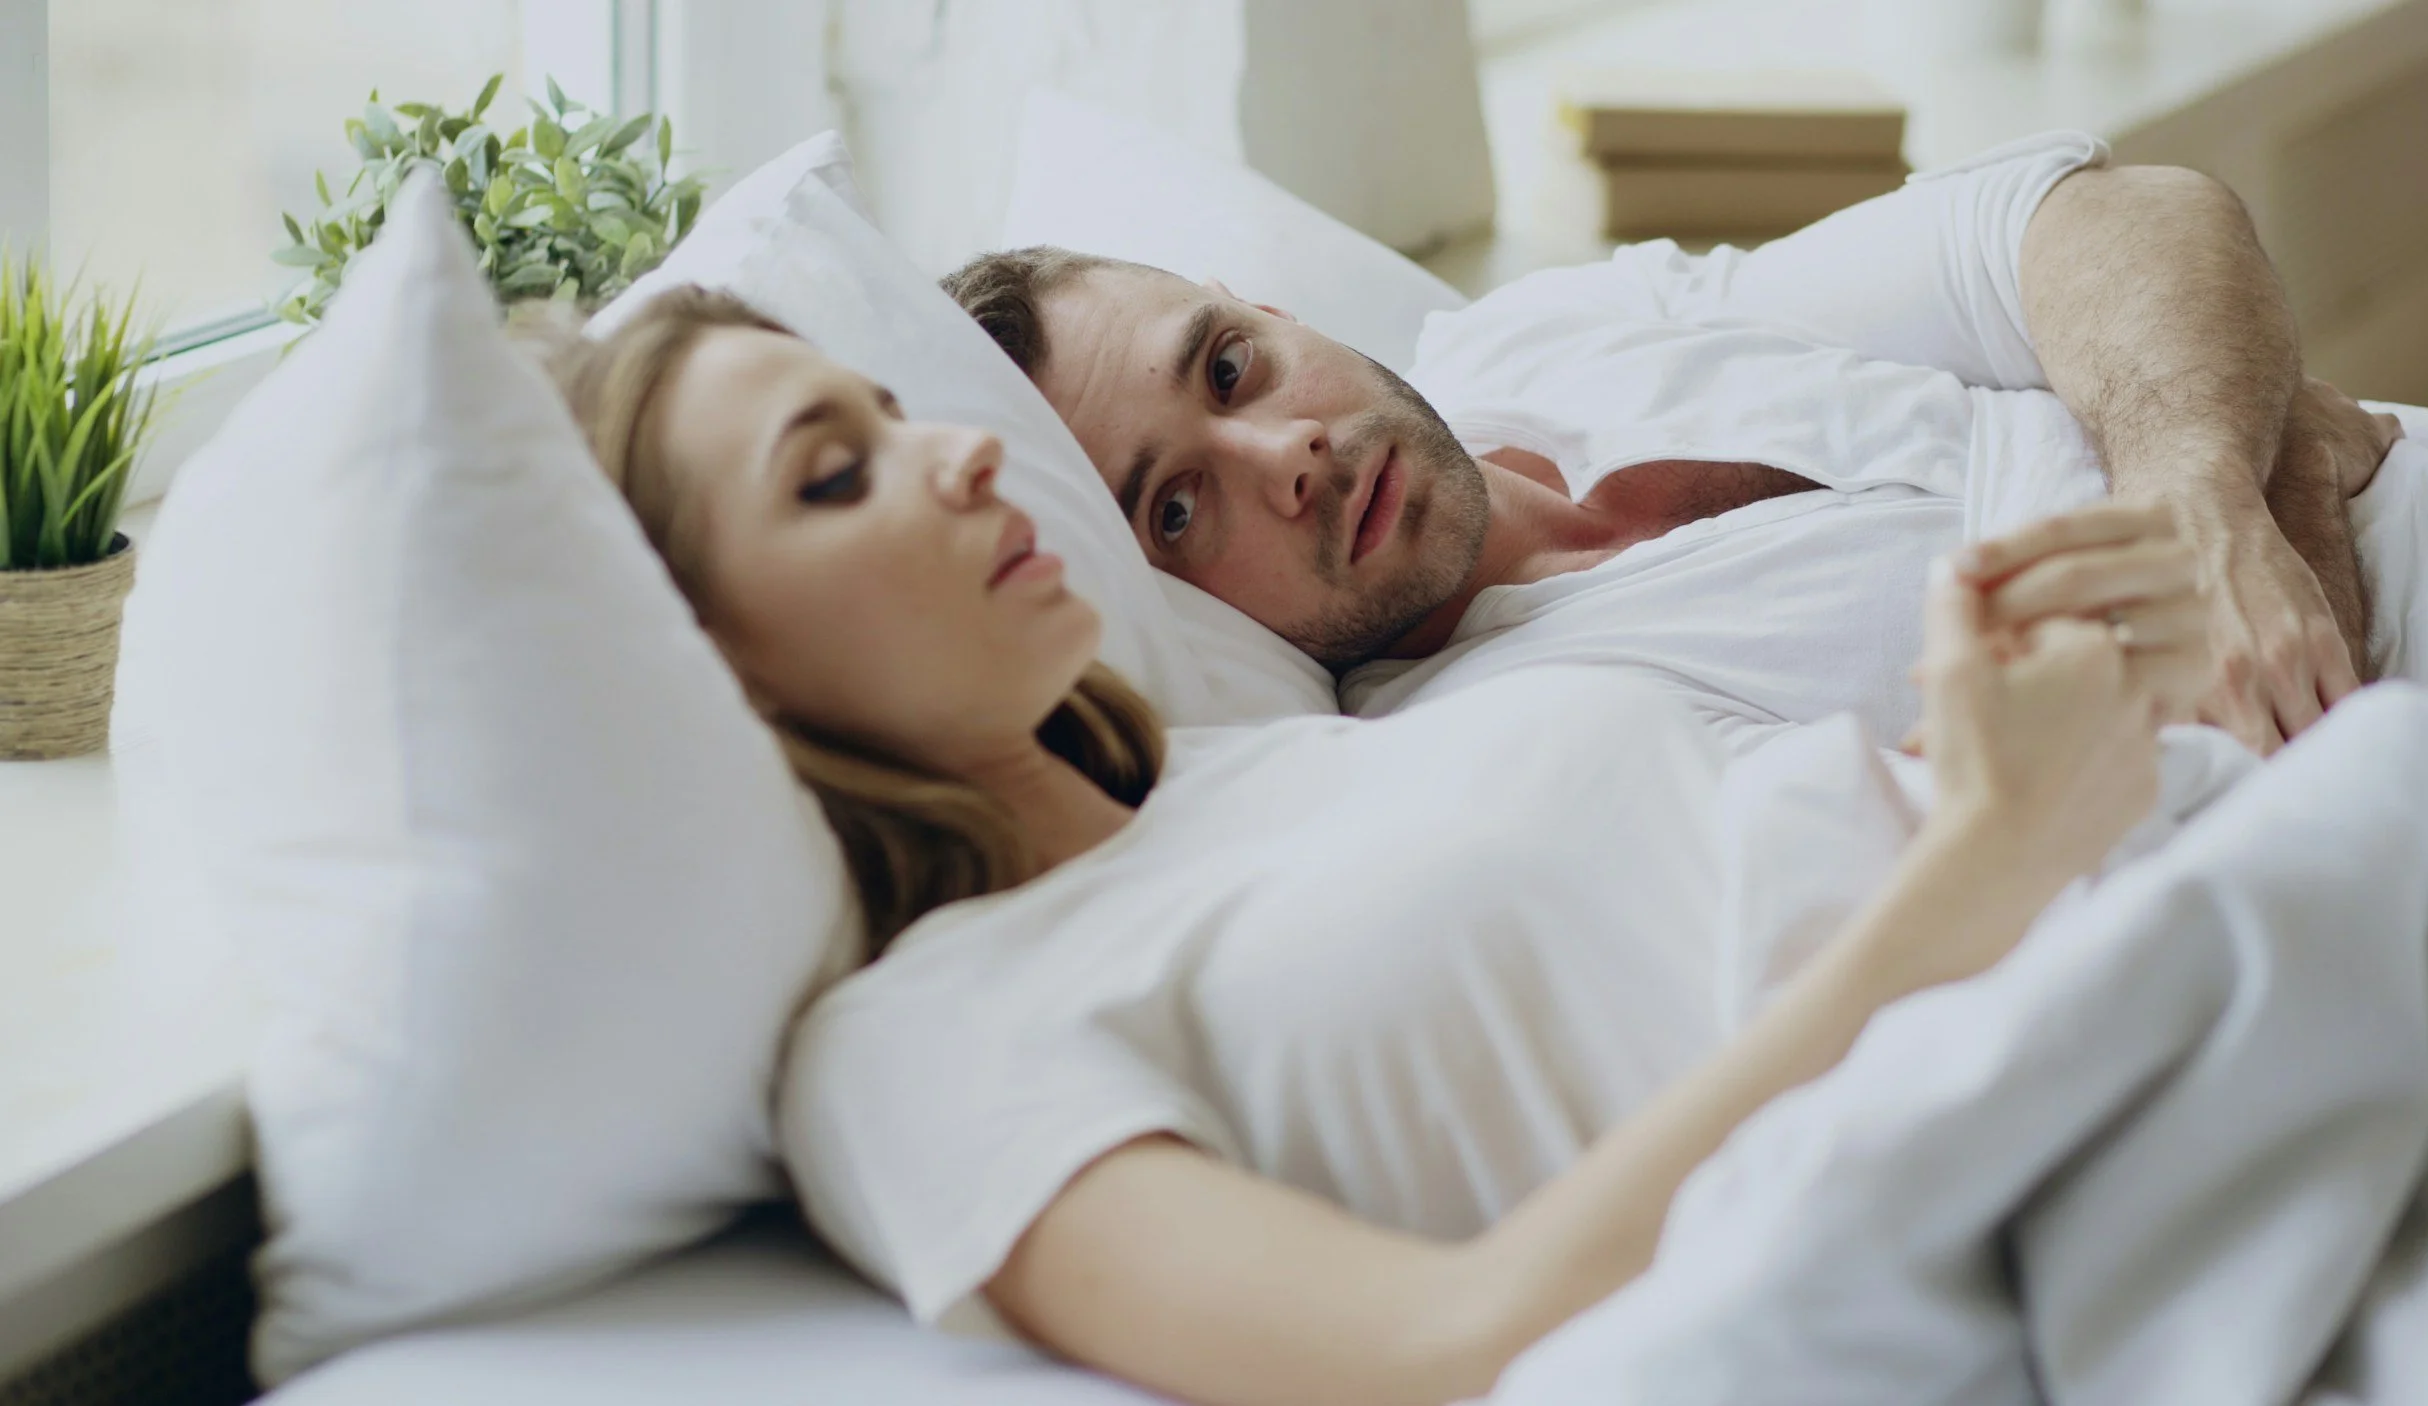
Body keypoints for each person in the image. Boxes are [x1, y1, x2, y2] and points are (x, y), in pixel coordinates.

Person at [529, 286, 2213, 1406]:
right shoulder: (915, 1046)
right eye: (837, 475)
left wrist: (1993, 729)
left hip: (2136, 913)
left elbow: (1696, 897)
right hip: (2035, 1163)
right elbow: (1448, 1339)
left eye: (895, 415)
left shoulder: (1268, 757)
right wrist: (1978, 863)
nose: (965, 452)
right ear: (706, 666)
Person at [943, 133, 2423, 759]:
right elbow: (2140, 839)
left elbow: (2117, 215)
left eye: (1228, 367)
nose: (1287, 455)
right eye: (1179, 509)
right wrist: (2268, 433)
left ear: (1269, 312)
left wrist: (2196, 486)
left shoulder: (1544, 334)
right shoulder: (1521, 736)